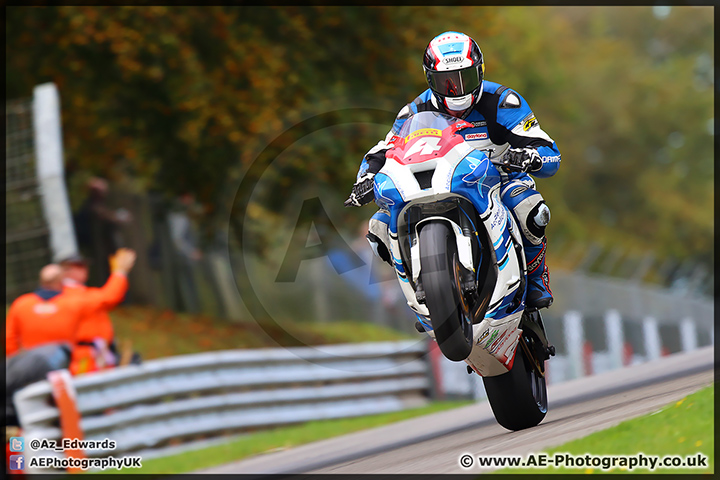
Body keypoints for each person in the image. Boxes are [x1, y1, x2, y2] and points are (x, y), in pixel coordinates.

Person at [344, 31, 561, 309]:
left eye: (464, 78)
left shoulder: (503, 101)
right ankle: (421, 296)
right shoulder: (413, 111)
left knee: (529, 208)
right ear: (429, 79)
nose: (456, 89)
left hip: (497, 179)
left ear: (479, 71)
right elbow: (384, 150)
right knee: (379, 227)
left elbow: (547, 148)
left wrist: (532, 157)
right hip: (436, 183)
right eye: (445, 81)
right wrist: (365, 177)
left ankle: (536, 280)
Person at [59, 248, 137, 373]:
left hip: (97, 353)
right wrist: (119, 273)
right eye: (78, 266)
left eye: (84, 265)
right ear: (64, 271)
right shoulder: (68, 295)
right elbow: (109, 297)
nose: (84, 269)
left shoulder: (81, 293)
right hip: (84, 356)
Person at [6, 264, 83, 356]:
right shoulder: (73, 302)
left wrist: (17, 360)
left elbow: (9, 337)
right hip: (68, 359)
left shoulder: (21, 303)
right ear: (60, 282)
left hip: (34, 362)